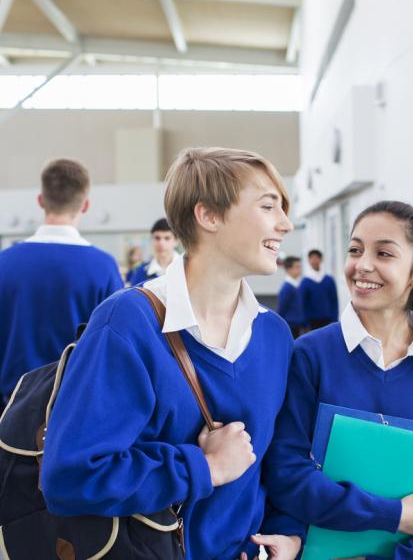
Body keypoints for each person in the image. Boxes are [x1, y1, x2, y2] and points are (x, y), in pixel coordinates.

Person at [42, 147, 303, 560]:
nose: (286, 224)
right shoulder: (127, 322)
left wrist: (288, 535)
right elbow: (72, 476)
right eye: (269, 206)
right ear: (209, 216)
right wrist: (204, 467)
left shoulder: (274, 335)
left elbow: (278, 459)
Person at [265, 201, 413, 559]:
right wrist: (392, 515)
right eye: (355, 249)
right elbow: (285, 473)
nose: (362, 264)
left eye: (384, 253)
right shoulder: (309, 355)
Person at [0, 158, 123, 404]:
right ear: (85, 205)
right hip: (72, 410)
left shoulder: (5, 262)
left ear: (40, 200)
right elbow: (112, 350)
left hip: (8, 410)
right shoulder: (103, 267)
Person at [129, 218, 180, 284]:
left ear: (176, 241)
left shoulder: (187, 269)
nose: (161, 243)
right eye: (157, 238)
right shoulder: (140, 272)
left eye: (167, 238)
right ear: (151, 240)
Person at [299, 249, 339, 330]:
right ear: (308, 261)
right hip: (311, 321)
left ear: (321, 259)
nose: (314, 261)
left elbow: (334, 300)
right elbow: (302, 303)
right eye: (312, 258)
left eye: (316, 258)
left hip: (328, 319)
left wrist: (334, 319)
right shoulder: (305, 281)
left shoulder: (328, 279)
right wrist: (304, 322)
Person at [277, 256, 305, 338]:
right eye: (297, 267)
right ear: (288, 269)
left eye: (300, 267)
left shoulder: (296, 285)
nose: (299, 270)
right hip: (290, 326)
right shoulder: (287, 288)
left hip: (297, 325)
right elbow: (281, 309)